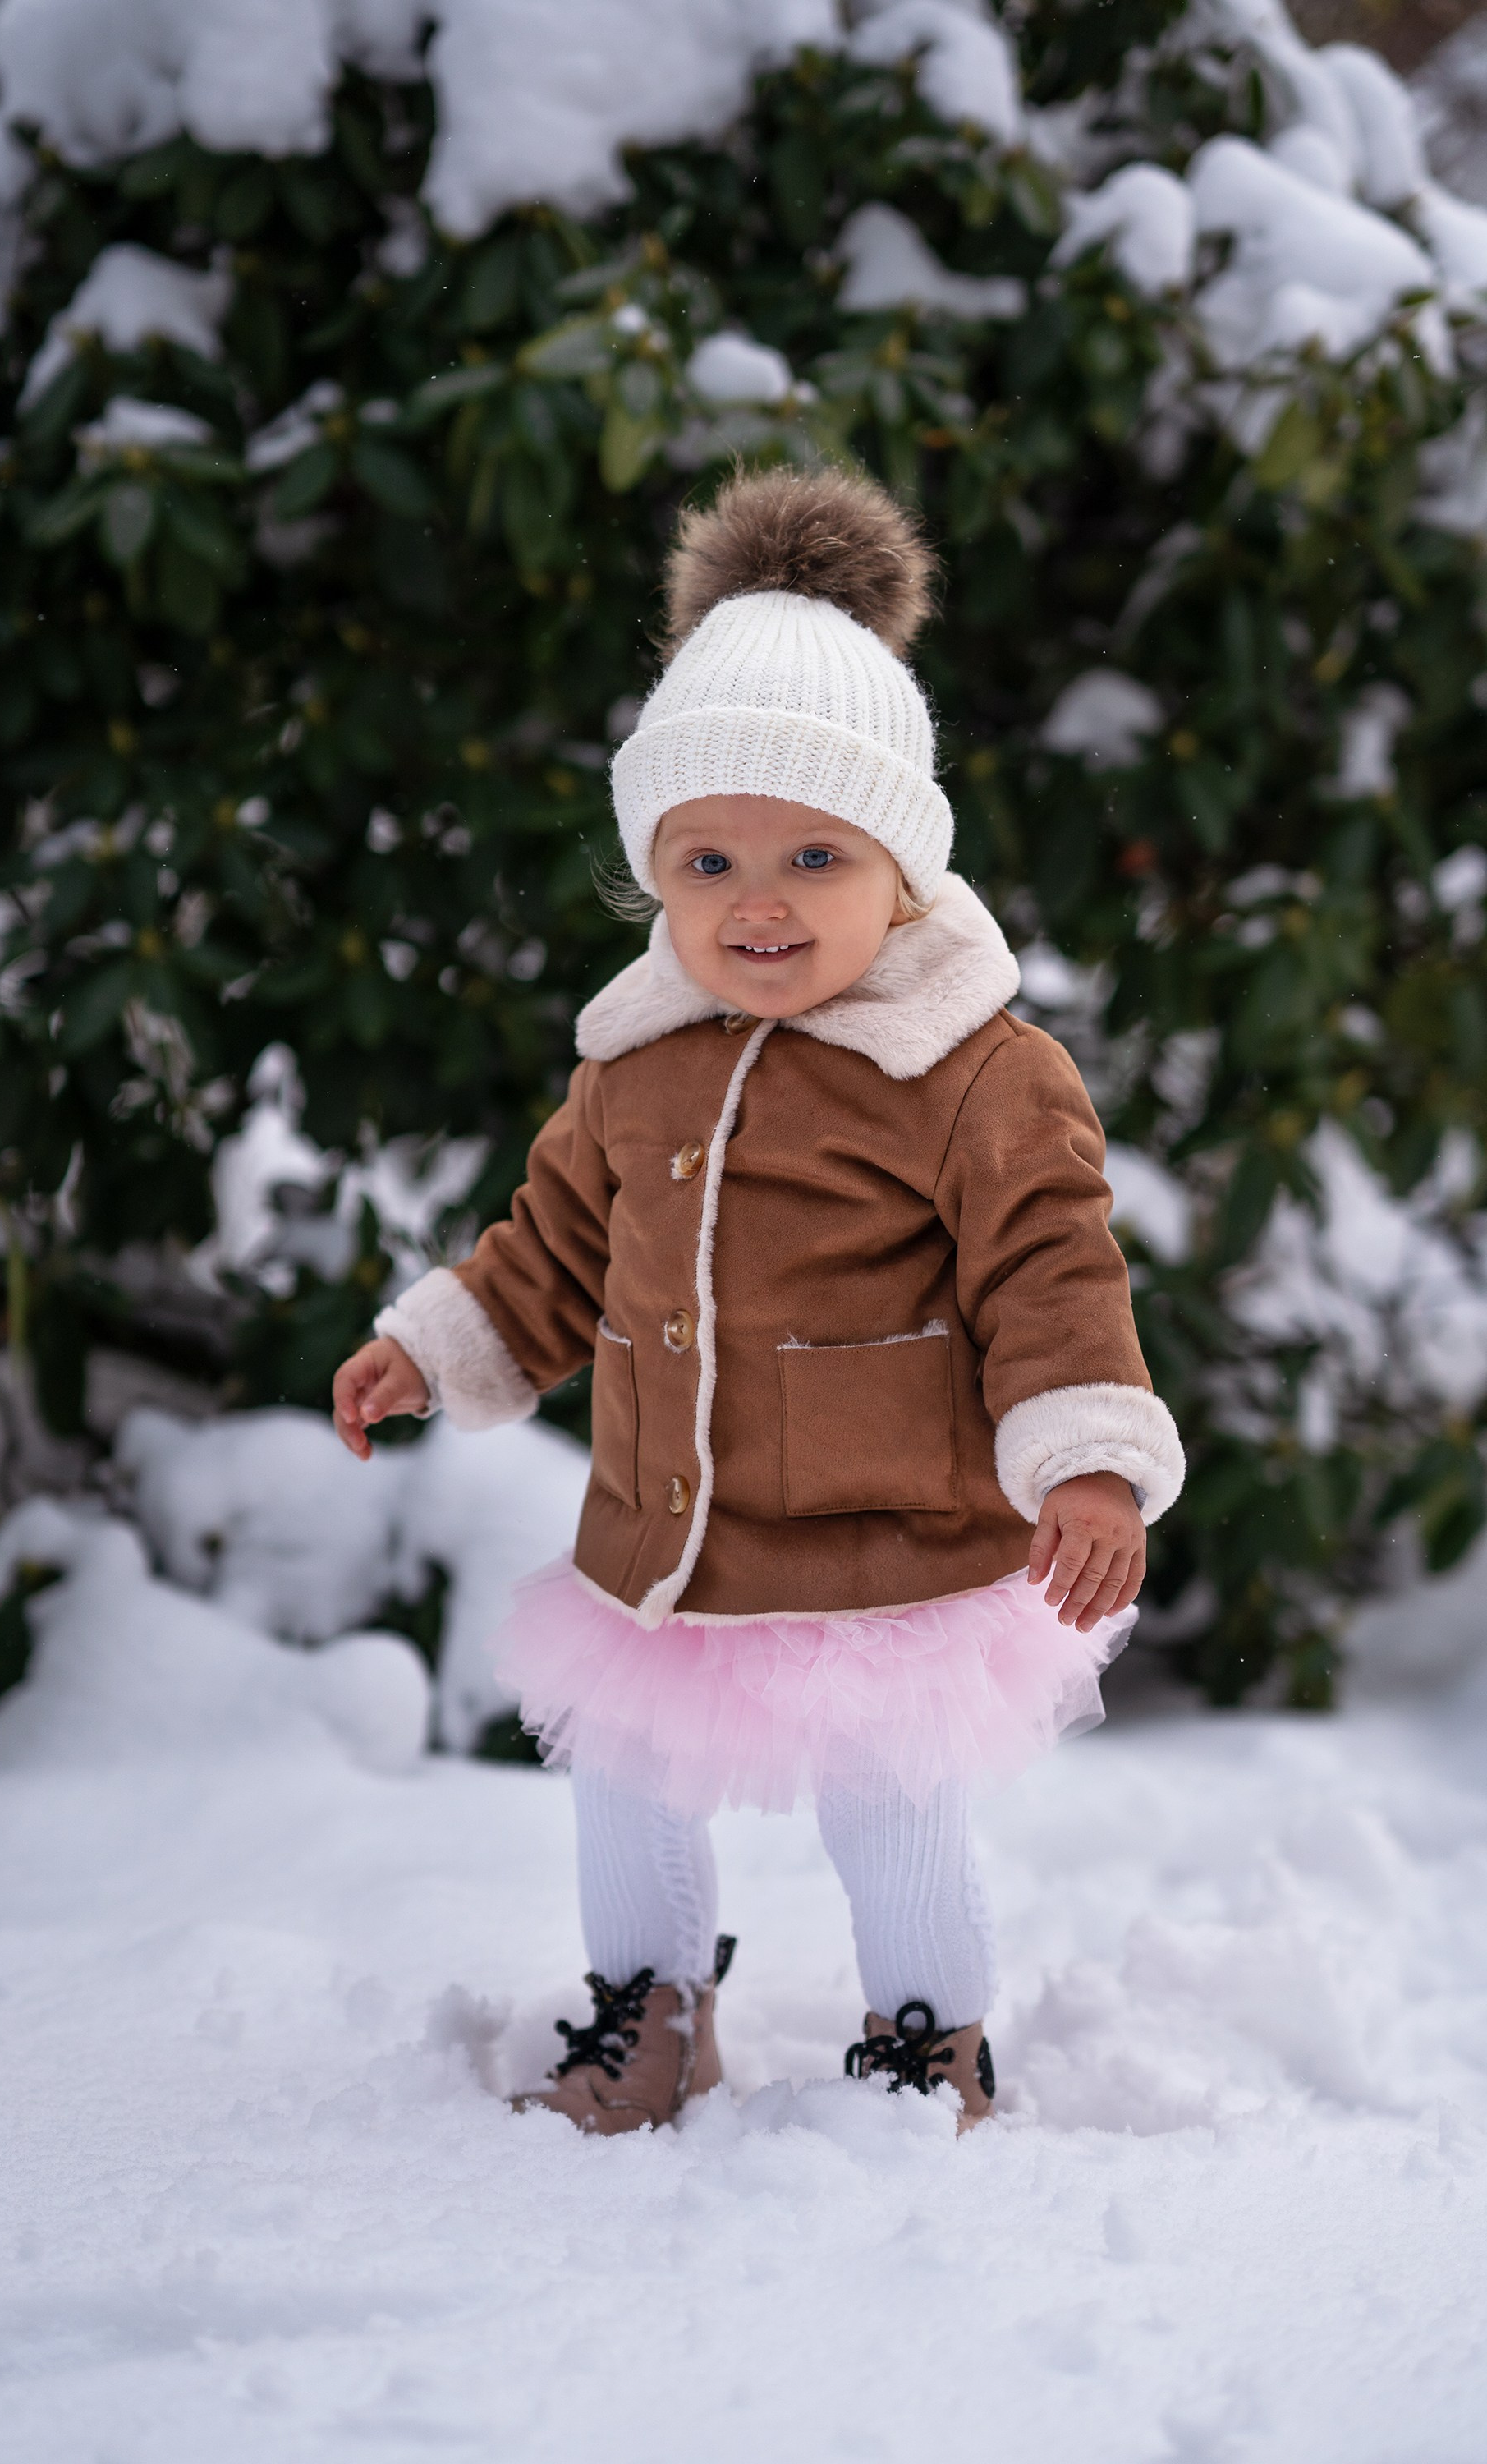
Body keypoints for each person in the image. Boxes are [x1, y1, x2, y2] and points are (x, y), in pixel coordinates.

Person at [332, 463, 1183, 2135]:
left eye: (813, 853)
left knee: (893, 1808)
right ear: (656, 870)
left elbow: (1053, 1274)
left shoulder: (972, 1071)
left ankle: (931, 2034)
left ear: (906, 876)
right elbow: (554, 1245)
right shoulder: (635, 1065)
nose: (759, 901)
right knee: (627, 1791)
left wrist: (1084, 1458)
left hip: (888, 1546)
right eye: (708, 860)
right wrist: (434, 1345)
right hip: (674, 1535)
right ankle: (650, 2014)